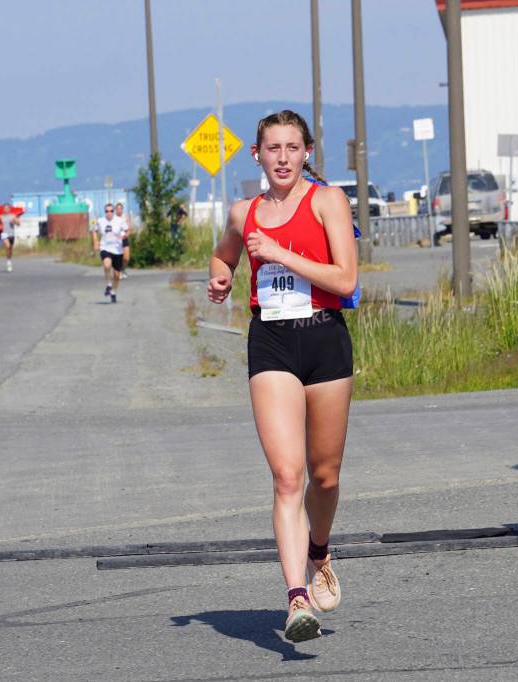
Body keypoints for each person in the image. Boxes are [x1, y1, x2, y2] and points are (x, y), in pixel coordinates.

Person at [207, 110, 358, 643]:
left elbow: (345, 279)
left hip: (324, 337)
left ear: (307, 152)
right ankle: (296, 599)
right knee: (288, 476)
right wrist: (221, 278)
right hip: (270, 340)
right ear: (257, 155)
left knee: (325, 475)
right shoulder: (242, 211)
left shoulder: (327, 201)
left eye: (293, 148)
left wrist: (280, 254)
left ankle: (319, 550)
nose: (284, 158)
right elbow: (223, 256)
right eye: (273, 149)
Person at [92, 203, 127, 303]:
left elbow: (128, 230)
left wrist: (123, 237)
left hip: (117, 249)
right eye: (107, 211)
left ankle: (113, 292)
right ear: (105, 212)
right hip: (105, 248)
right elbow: (94, 230)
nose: (109, 213)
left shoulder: (119, 221)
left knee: (116, 275)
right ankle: (108, 284)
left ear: (114, 211)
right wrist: (95, 242)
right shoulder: (100, 221)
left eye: (111, 211)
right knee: (107, 265)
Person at [0, 205, 20, 272]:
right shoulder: (1, 217)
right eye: (5, 208)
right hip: (4, 234)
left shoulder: (13, 216)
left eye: (7, 208)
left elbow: (18, 223)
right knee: (7, 246)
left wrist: (14, 222)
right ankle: (8, 263)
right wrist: (0, 227)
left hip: (11, 234)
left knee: (10, 249)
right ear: (3, 209)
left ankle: (9, 260)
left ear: (9, 209)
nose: (6, 209)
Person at [114, 202, 132, 277]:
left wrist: (126, 235)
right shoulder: (113, 219)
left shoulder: (125, 218)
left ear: (122, 209)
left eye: (120, 209)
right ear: (115, 210)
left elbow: (130, 229)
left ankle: (122, 269)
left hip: (124, 239)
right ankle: (118, 271)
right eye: (117, 209)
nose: (118, 210)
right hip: (116, 241)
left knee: (126, 258)